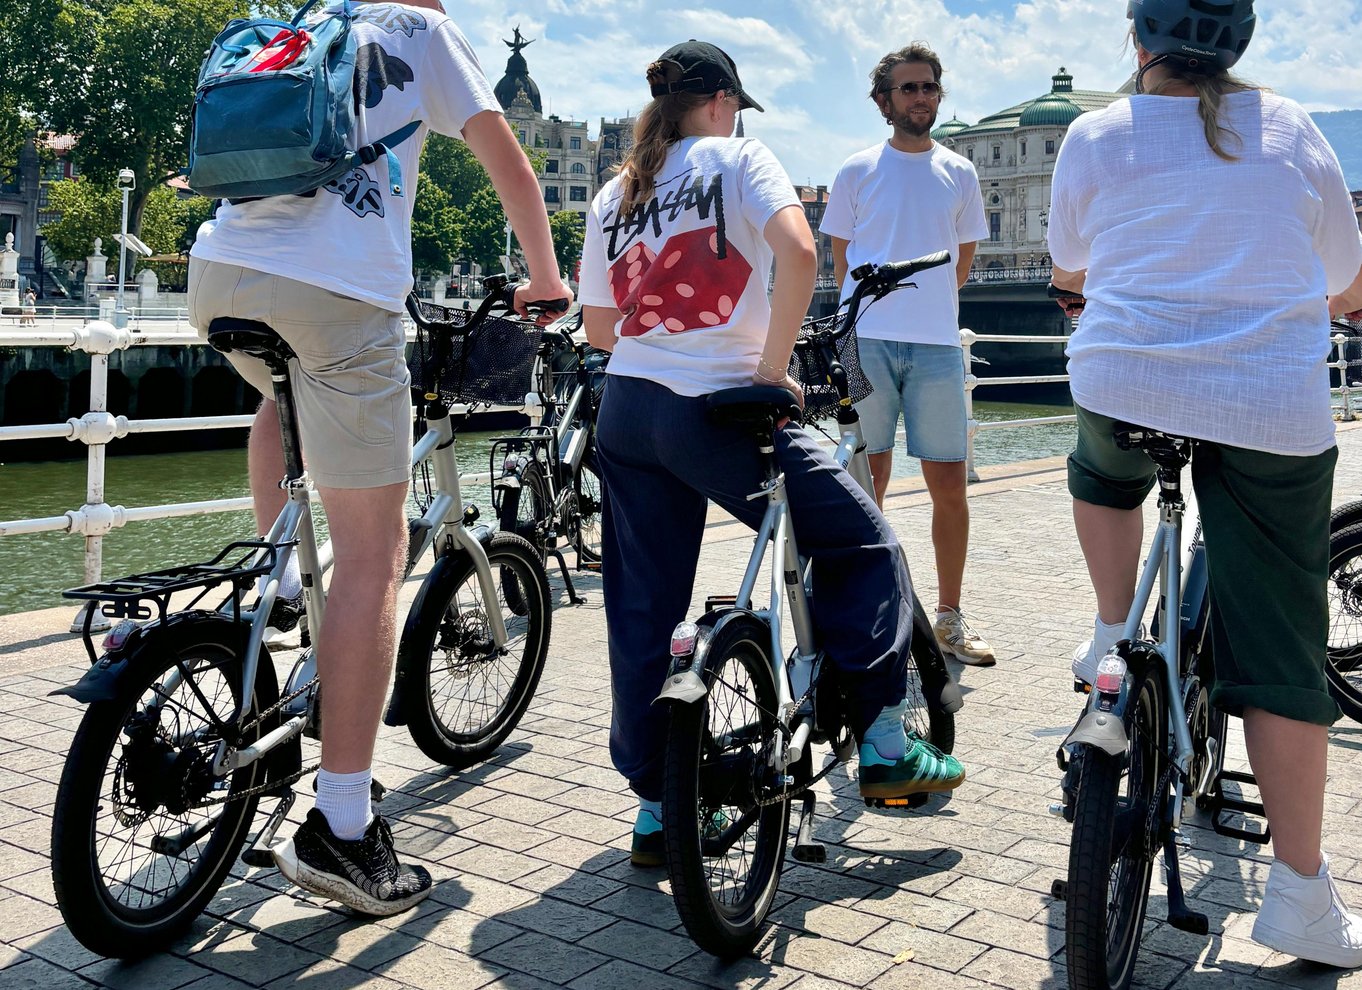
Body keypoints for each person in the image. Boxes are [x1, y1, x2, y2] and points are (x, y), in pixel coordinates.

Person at [187, 0, 571, 915]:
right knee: (375, 553)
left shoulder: (300, 19)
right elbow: (510, 166)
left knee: (277, 393)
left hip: (221, 273)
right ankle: (345, 829)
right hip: (339, 292)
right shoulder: (421, 31)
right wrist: (548, 279)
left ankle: (283, 578)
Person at [577, 41, 966, 868]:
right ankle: (888, 743)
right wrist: (771, 367)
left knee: (640, 607)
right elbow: (795, 253)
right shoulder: (741, 157)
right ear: (722, 102)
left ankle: (657, 805)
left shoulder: (618, 190)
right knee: (864, 541)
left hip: (629, 412)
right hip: (721, 410)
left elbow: (602, 329)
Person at [1049, 0, 1362, 966]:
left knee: (1103, 469)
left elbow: (1071, 263)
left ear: (1137, 42)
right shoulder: (1291, 127)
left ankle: (1110, 630)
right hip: (1268, 405)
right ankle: (1301, 896)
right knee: (1278, 640)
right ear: (1240, 49)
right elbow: (1348, 281)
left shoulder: (1094, 132)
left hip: (1125, 378)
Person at [820, 43, 995, 667]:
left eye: (929, 87)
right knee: (868, 483)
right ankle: (868, 613)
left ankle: (948, 618)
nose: (922, 97)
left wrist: (924, 313)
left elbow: (961, 261)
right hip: (865, 342)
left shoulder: (960, 173)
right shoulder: (856, 171)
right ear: (883, 100)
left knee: (949, 482)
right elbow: (843, 260)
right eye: (909, 88)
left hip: (938, 347)